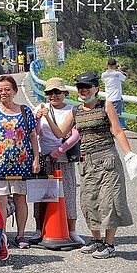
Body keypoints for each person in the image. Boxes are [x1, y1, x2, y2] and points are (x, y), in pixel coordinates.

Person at [40, 72, 134, 259]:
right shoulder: (76, 111)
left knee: (109, 202)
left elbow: (117, 130)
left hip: (107, 158)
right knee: (89, 201)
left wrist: (129, 153)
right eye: (80, 87)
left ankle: (109, 244)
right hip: (87, 161)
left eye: (87, 86)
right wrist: (47, 116)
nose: (83, 90)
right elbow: (60, 133)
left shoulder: (105, 106)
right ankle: (96, 240)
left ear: (96, 88)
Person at [0, 75, 40, 249]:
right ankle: (3, 234)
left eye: (7, 89)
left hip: (21, 163)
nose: (3, 93)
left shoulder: (24, 110)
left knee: (20, 200)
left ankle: (21, 235)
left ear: (14, 90)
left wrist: (36, 159)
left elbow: (32, 136)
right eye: (0, 90)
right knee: (0, 200)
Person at [31, 78, 84, 245]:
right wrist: (38, 118)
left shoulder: (72, 110)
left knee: (67, 192)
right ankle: (39, 229)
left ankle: (72, 230)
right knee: (41, 193)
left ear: (64, 93)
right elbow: (36, 132)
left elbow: (75, 135)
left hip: (63, 157)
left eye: (57, 92)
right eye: (50, 93)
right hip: (44, 155)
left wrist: (58, 151)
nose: (54, 96)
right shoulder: (40, 108)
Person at [101, 58, 127, 128]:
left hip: (108, 98)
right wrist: (120, 70)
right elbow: (124, 78)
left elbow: (103, 81)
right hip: (116, 98)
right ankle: (114, 131)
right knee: (116, 117)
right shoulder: (117, 74)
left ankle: (110, 130)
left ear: (107, 65)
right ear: (115, 65)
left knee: (108, 115)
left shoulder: (103, 74)